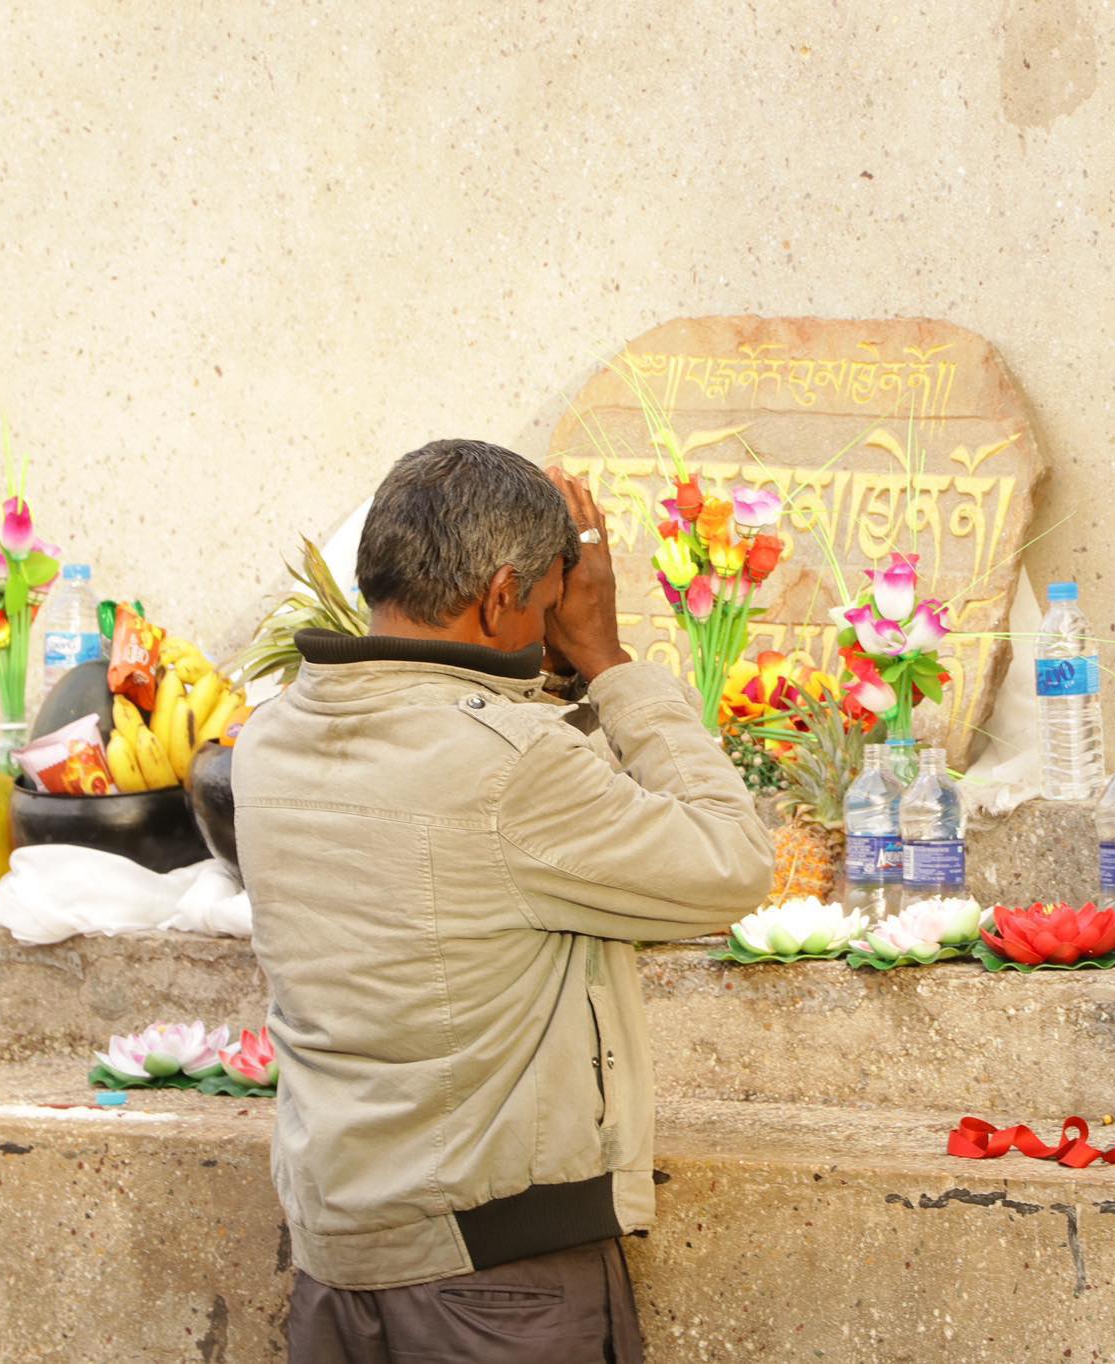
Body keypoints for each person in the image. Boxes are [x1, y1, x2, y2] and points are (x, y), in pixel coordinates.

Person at [233, 439, 774, 1363]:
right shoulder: (512, 767)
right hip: (494, 1283)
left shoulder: (271, 739)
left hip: (341, 1260)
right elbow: (731, 862)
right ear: (499, 598)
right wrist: (606, 657)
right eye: (548, 601)